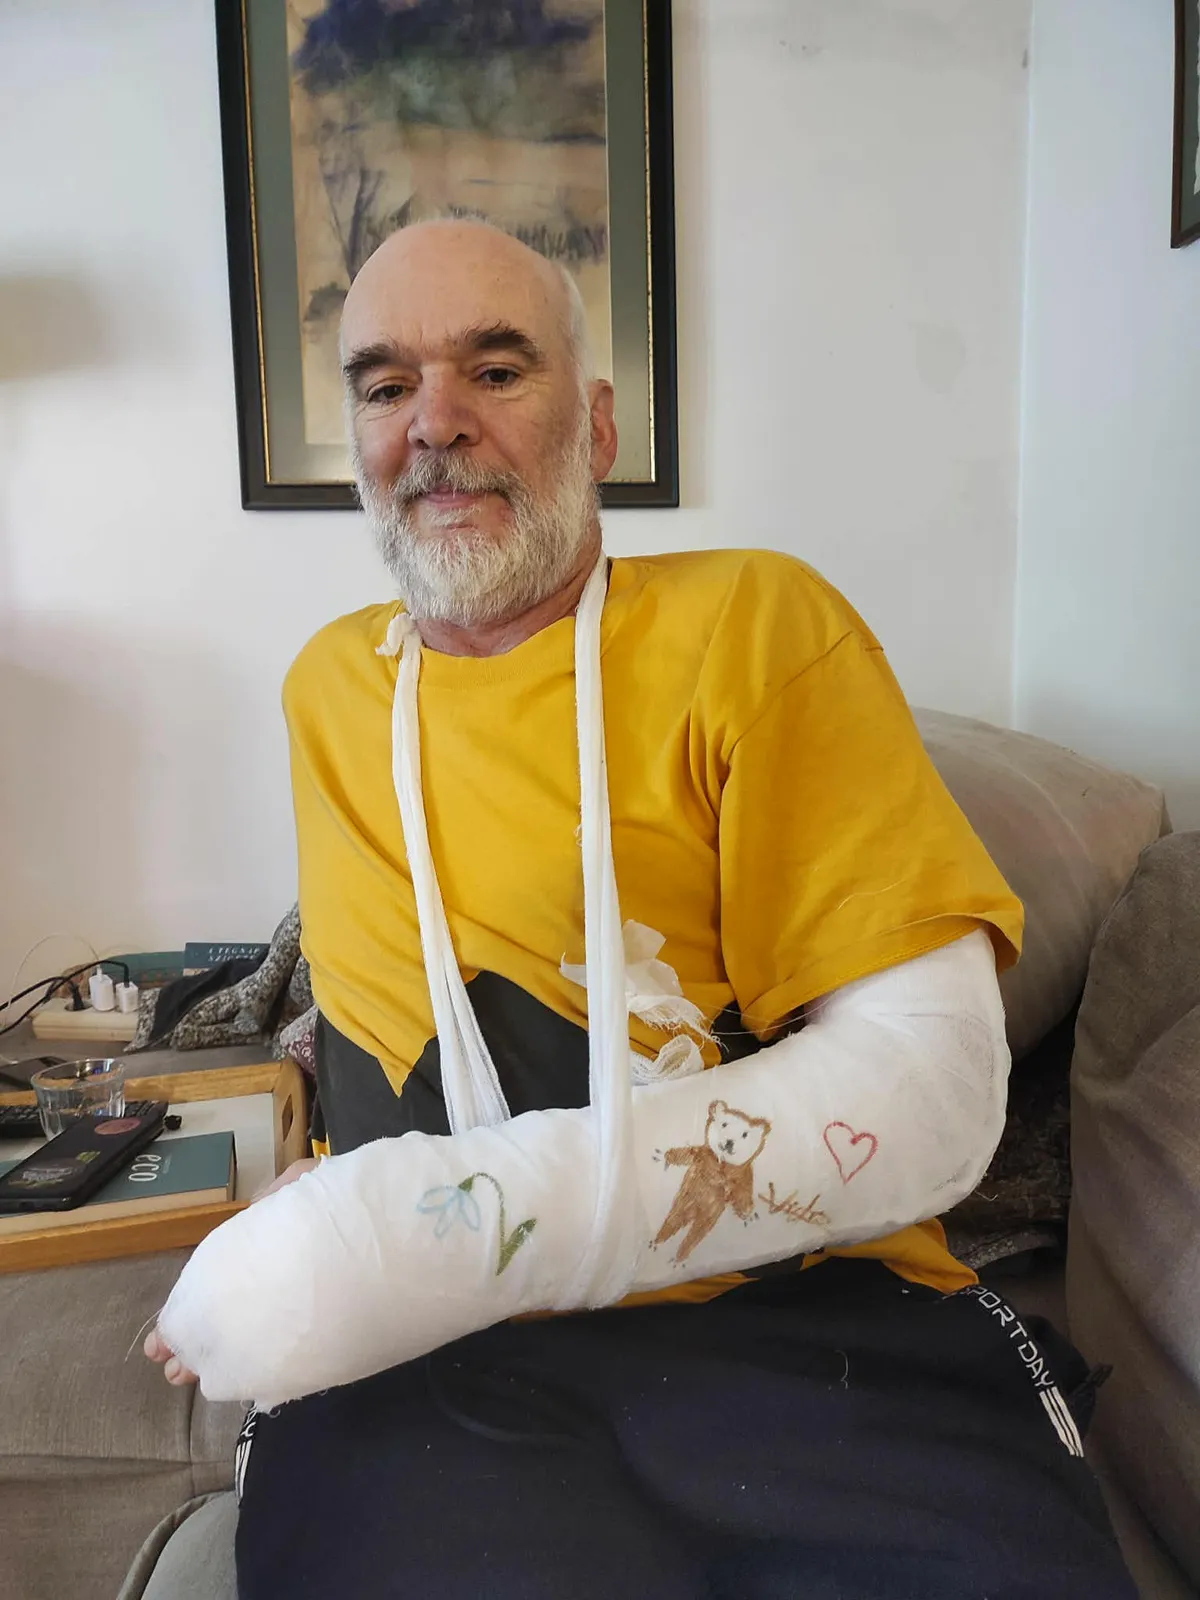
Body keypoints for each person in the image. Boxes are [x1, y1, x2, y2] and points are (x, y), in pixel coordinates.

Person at [147, 220, 1134, 1598]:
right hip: (431, 1354)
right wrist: (331, 1210)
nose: (435, 422)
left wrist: (411, 1221)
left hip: (814, 1321)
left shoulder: (760, 623)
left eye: (497, 370)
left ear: (598, 424)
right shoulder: (329, 690)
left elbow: (928, 1089)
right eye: (387, 386)